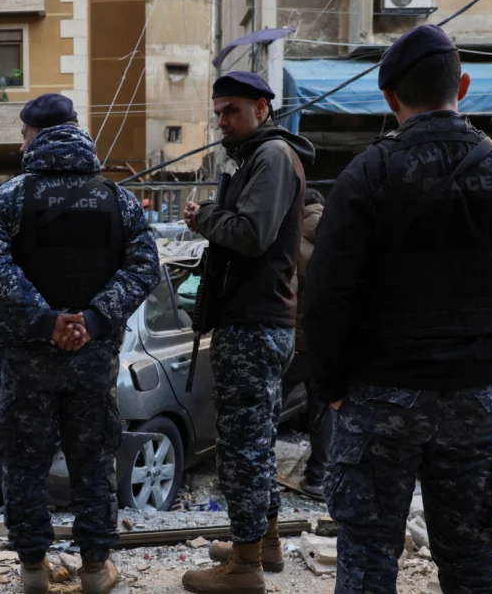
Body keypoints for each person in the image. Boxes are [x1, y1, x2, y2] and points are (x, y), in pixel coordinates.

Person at [304, 24, 492, 592]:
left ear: (390, 98)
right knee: (473, 560)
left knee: (367, 561)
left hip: (379, 394)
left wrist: (331, 385)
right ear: (463, 86)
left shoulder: (366, 174)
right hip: (476, 392)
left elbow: (327, 296)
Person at [0, 93, 160, 594]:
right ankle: (96, 571)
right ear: (76, 130)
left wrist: (45, 320)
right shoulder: (118, 198)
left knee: (26, 462)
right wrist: (92, 320)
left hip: (28, 358)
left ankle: (33, 571)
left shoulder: (7, 198)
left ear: (33, 135)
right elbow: (143, 267)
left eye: (21, 134)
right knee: (94, 460)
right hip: (93, 359)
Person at [182, 71, 314, 594]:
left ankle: (243, 566)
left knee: (242, 445)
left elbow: (252, 234)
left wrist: (206, 216)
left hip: (255, 322)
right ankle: (265, 541)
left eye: (232, 110)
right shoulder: (259, 157)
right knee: (253, 439)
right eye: (218, 112)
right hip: (254, 319)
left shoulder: (273, 157)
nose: (222, 121)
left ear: (262, 108)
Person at [295, 188, 331, 498]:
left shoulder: (293, 241)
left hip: (296, 343)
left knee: (268, 407)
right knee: (322, 412)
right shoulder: (336, 235)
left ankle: (258, 477)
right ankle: (317, 477)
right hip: (326, 344)